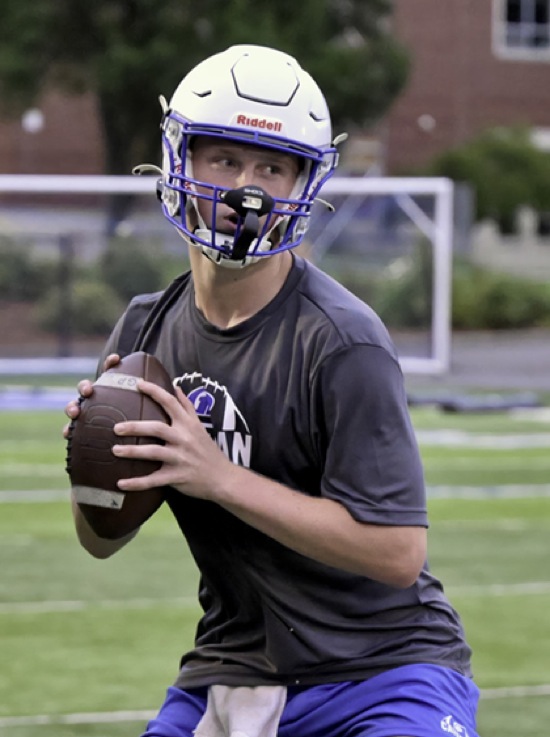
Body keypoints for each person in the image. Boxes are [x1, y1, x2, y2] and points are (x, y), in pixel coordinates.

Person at [65, 45, 480, 737]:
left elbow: (398, 552)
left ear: (303, 185)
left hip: (382, 672)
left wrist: (216, 477)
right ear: (178, 158)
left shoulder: (343, 339)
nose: (245, 190)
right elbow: (99, 542)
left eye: (270, 168)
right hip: (231, 667)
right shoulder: (145, 331)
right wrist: (97, 464)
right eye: (224, 159)